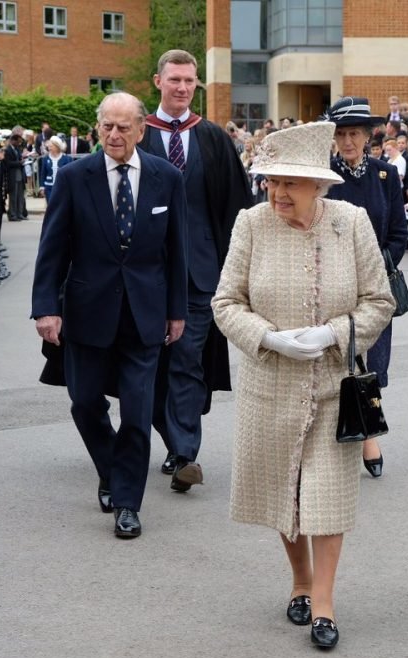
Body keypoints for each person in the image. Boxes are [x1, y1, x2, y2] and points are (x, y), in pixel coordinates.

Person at [211, 121, 395, 650]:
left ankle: (325, 602)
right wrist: (270, 338)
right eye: (271, 181)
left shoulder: (352, 222)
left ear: (318, 184)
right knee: (285, 493)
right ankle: (298, 580)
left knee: (327, 496)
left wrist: (332, 333)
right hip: (269, 384)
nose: (277, 192)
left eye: (289, 183)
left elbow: (379, 301)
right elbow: (225, 303)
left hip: (337, 387)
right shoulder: (251, 224)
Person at [31, 92, 188, 539]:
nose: (114, 135)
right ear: (97, 127)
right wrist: (46, 308)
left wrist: (177, 310)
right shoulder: (74, 177)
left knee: (138, 413)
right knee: (84, 404)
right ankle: (110, 467)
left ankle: (126, 502)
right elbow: (53, 248)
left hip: (145, 314)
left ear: (141, 130)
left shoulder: (166, 178)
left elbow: (176, 252)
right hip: (86, 312)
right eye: (107, 127)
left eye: (123, 128)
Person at [140, 49, 254, 491]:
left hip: (201, 273)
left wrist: (239, 272)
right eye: (175, 80)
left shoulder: (211, 138)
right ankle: (171, 437)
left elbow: (237, 209)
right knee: (147, 364)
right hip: (145, 273)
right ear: (158, 82)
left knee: (188, 362)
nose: (183, 88)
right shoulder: (136, 134)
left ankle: (186, 453)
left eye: (190, 81)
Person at [322, 96, 407, 478]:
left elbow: (399, 234)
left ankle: (368, 431)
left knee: (373, 363)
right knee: (339, 359)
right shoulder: (323, 176)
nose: (348, 141)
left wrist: (374, 269)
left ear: (368, 135)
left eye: (354, 133)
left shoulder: (386, 175)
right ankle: (347, 435)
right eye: (341, 133)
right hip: (333, 283)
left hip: (375, 286)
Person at [37, 135, 72, 202]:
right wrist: (42, 187)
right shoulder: (45, 159)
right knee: (51, 206)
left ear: (57, 147)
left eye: (51, 146)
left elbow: (70, 174)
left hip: (62, 187)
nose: (49, 148)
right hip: (49, 188)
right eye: (49, 146)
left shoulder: (67, 159)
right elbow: (43, 174)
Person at [3, 134, 26, 221]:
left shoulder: (17, 149)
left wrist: (22, 161)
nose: (19, 143)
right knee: (13, 196)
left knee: (20, 196)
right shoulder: (8, 150)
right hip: (12, 176)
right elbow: (8, 163)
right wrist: (19, 163)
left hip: (19, 175)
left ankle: (19, 213)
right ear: (13, 141)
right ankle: (12, 214)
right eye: (18, 141)